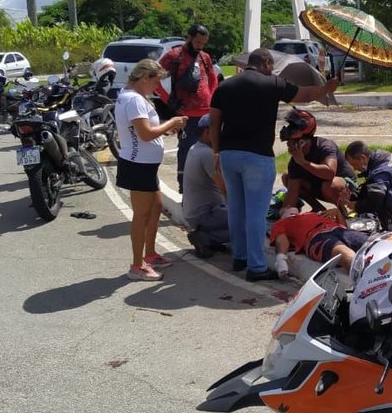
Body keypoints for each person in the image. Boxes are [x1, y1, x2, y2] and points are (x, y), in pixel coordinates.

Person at [209, 48, 340, 283]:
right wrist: (326, 89)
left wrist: (217, 151)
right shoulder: (272, 83)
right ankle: (256, 267)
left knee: (236, 208)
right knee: (256, 214)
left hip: (229, 154)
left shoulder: (224, 86)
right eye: (272, 65)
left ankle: (239, 257)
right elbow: (305, 94)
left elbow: (214, 121)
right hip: (257, 156)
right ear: (266, 63)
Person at [114, 59, 189, 281]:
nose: (157, 88)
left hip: (144, 164)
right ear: (145, 77)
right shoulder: (134, 100)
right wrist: (172, 122)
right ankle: (137, 265)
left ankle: (150, 254)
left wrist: (163, 129)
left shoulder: (132, 96)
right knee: (141, 215)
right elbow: (146, 134)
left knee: (155, 207)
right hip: (138, 165)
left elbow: (142, 131)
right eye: (155, 82)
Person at [158, 23, 219, 193]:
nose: (200, 46)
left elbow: (213, 80)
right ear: (189, 38)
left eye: (203, 43)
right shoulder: (174, 56)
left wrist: (212, 100)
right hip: (186, 114)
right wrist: (168, 99)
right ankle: (185, 187)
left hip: (206, 112)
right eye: (198, 42)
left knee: (211, 151)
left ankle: (208, 186)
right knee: (186, 150)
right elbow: (154, 79)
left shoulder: (204, 57)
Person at [278, 108, 355, 214]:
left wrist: (304, 163)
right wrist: (286, 213)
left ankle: (343, 211)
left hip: (345, 187)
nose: (289, 145)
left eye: (293, 141)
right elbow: (292, 193)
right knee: (287, 177)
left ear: (302, 142)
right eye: (288, 142)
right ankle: (319, 209)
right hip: (319, 185)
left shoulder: (325, 146)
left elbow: (329, 174)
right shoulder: (295, 160)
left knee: (329, 185)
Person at [269, 207, 368, 277]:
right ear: (281, 214)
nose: (288, 206)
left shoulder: (312, 214)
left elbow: (344, 228)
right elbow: (281, 238)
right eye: (285, 206)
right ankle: (364, 279)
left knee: (373, 244)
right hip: (315, 237)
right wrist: (281, 258)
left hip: (338, 229)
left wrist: (338, 213)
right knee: (344, 253)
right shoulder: (281, 223)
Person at [181, 113, 228, 258]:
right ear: (207, 132)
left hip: (196, 213)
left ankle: (208, 237)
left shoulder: (195, 148)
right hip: (206, 214)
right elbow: (225, 188)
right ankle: (207, 238)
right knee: (247, 224)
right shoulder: (207, 154)